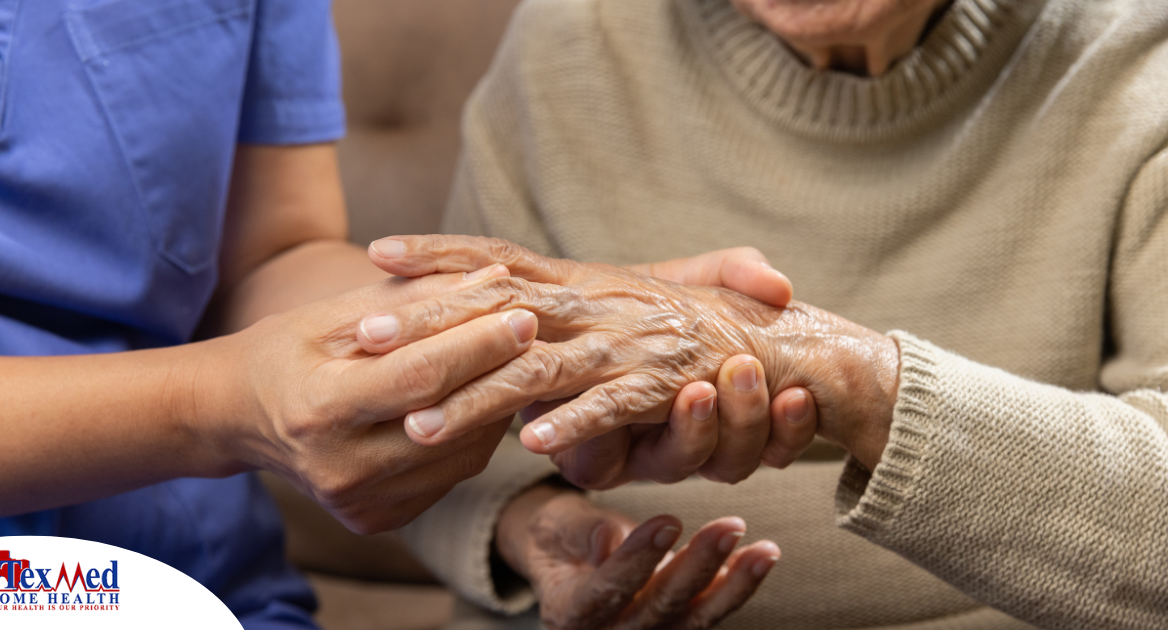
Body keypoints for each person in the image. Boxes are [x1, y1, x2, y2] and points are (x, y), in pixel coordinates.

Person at [0, 1, 791, 627]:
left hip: (197, 579)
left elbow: (269, 257)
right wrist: (218, 406)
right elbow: (229, 391)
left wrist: (545, 308)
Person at [365, 0, 1168, 628]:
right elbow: (434, 435)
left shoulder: (1138, 59)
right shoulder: (561, 47)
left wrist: (850, 376)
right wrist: (534, 529)